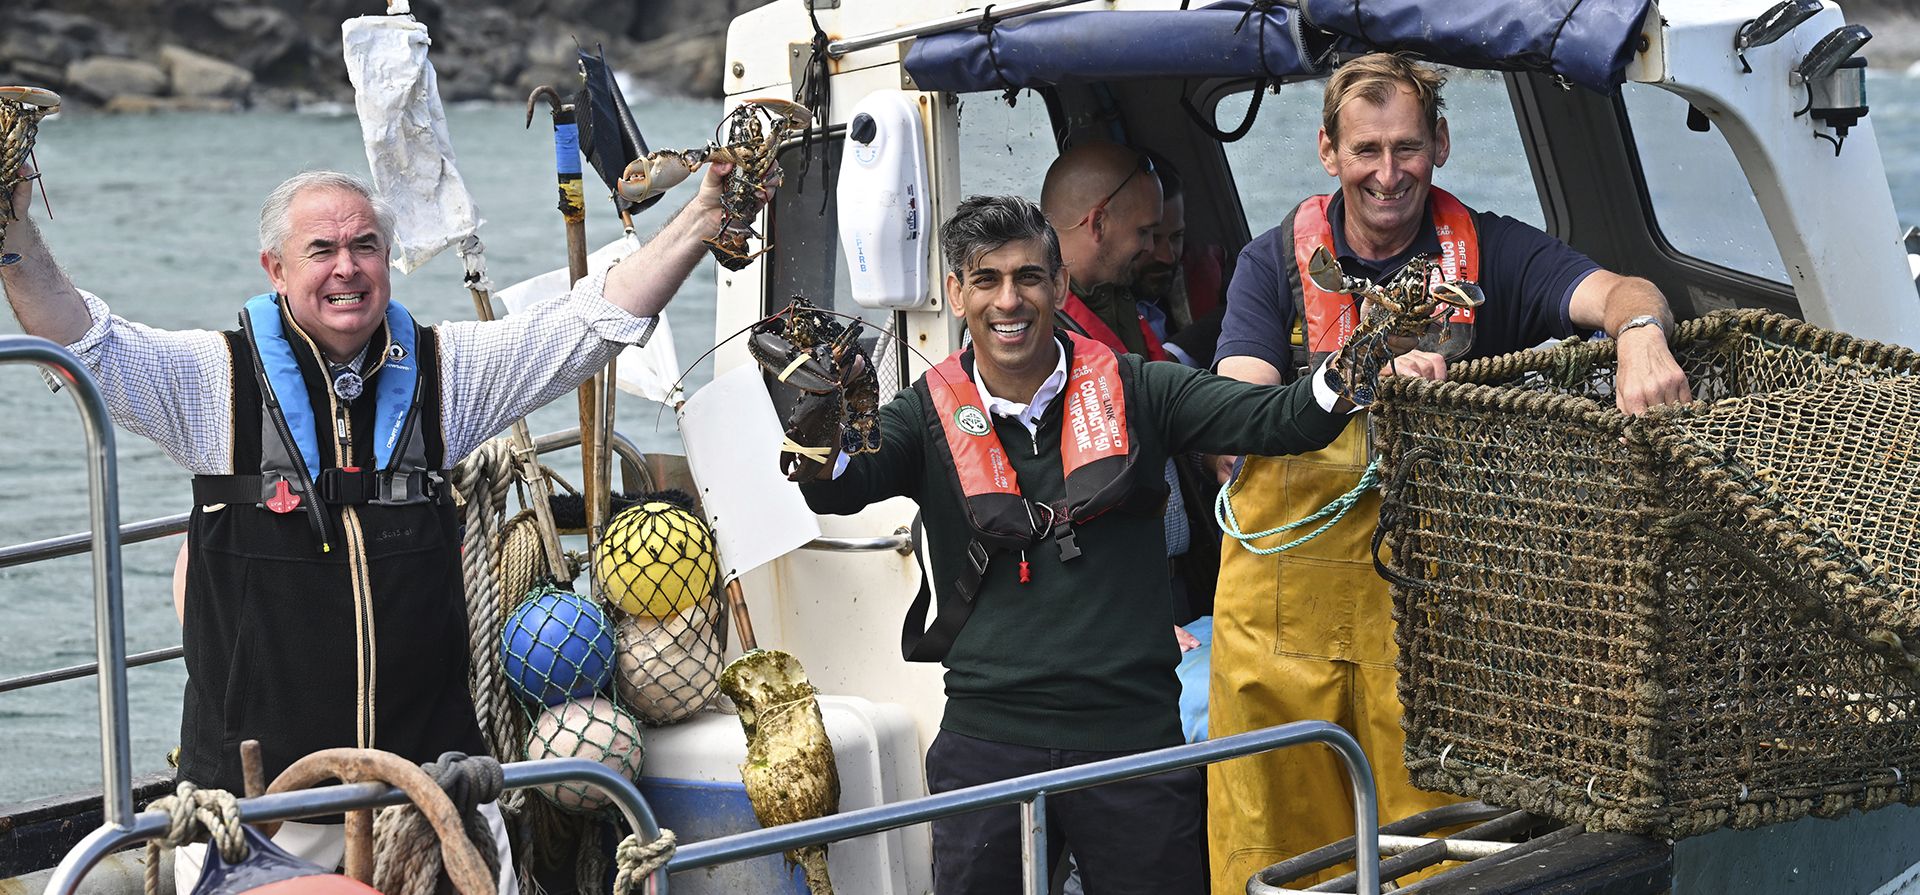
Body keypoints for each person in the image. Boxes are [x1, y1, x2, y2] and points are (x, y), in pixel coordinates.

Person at [1, 161, 748, 892]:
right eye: (321, 250)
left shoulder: (444, 372)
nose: (346, 269)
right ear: (275, 267)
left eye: (365, 246)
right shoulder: (212, 383)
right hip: (258, 808)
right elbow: (81, 338)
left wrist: (699, 220)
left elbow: (591, 322)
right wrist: (12, 226)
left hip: (434, 792)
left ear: (387, 260)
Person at [798, 194, 1438, 895]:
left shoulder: (1140, 388)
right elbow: (838, 485)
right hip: (987, 741)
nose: (1009, 300)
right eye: (986, 280)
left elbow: (1279, 419)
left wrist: (1362, 356)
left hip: (1132, 743)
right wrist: (814, 415)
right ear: (957, 293)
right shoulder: (921, 415)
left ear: (1060, 285)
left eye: (1029, 277)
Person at [1205, 53, 1692, 892]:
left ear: (1441, 142)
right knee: (1271, 854)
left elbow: (1620, 289)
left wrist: (1642, 333)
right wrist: (1352, 383)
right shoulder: (1272, 264)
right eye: (1366, 150)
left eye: (1406, 148)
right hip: (1277, 627)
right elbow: (1233, 412)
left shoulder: (1492, 253)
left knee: (1444, 855)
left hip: (1439, 631)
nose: (1387, 174)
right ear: (1328, 151)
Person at [1039, 141, 1170, 361]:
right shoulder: (1033, 331)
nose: (1149, 247)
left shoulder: (1116, 299)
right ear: (1098, 223)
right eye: (1143, 231)